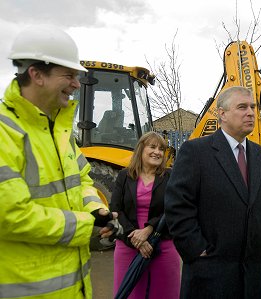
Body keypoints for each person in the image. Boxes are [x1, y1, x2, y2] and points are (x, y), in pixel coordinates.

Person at [0, 25, 117, 298]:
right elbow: (10, 216)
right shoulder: (6, 133)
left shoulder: (60, 133)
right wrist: (85, 225)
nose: (76, 84)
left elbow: (84, 181)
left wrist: (96, 210)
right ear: (36, 75)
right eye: (69, 75)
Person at [164, 86, 261, 298]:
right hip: (209, 274)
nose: (251, 112)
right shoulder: (196, 151)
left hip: (253, 275)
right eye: (242, 107)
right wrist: (197, 251)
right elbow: (177, 206)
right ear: (222, 114)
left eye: (252, 107)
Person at [110, 132, 181, 299]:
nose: (158, 152)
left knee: (164, 293)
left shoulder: (169, 176)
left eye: (161, 149)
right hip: (128, 245)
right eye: (153, 147)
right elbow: (115, 209)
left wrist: (149, 229)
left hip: (162, 244)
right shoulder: (124, 176)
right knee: (130, 294)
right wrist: (136, 240)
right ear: (141, 149)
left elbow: (174, 208)